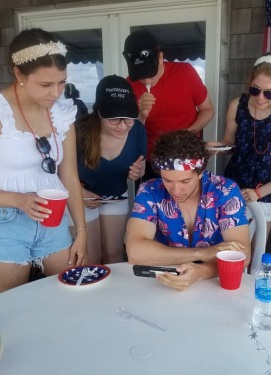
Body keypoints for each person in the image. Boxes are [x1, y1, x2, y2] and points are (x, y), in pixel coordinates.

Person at [0, 28, 87, 295]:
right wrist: (19, 200)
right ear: (18, 74)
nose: (56, 93)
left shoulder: (61, 115)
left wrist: (81, 230)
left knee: (71, 298)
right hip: (2, 223)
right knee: (12, 310)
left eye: (61, 82)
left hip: (53, 221)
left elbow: (69, 176)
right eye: (45, 85)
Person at [125, 130, 251, 291]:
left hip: (216, 282)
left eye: (185, 181)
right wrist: (201, 254)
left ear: (200, 173)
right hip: (165, 280)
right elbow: (135, 252)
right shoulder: (150, 190)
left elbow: (242, 254)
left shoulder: (225, 190)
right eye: (167, 180)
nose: (176, 190)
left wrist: (200, 272)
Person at [210, 53, 271, 240]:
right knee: (227, 244)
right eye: (255, 90)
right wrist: (215, 147)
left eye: (269, 93)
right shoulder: (237, 105)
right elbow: (229, 143)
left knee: (255, 248)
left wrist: (259, 192)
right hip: (234, 185)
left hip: (269, 189)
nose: (260, 98)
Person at [122, 30, 214, 181]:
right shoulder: (128, 84)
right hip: (152, 160)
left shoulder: (185, 73)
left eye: (150, 74)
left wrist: (189, 133)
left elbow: (208, 110)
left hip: (187, 155)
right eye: (140, 77)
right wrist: (141, 115)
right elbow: (129, 131)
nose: (146, 82)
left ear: (160, 57)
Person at [75, 75, 146, 264]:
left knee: (114, 255)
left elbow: (141, 164)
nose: (123, 126)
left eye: (128, 119)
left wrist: (138, 172)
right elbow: (60, 173)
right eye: (114, 119)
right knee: (90, 258)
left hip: (116, 195)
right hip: (80, 198)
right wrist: (79, 192)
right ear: (99, 113)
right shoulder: (78, 130)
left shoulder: (137, 129)